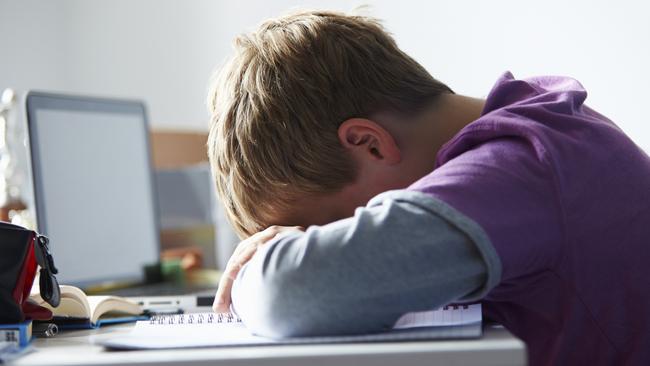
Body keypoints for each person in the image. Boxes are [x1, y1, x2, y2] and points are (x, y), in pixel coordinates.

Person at [206, 10, 650, 366]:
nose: (340, 243)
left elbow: (293, 293)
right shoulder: (542, 126)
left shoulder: (522, 168)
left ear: (369, 144)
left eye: (331, 230)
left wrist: (257, 266)